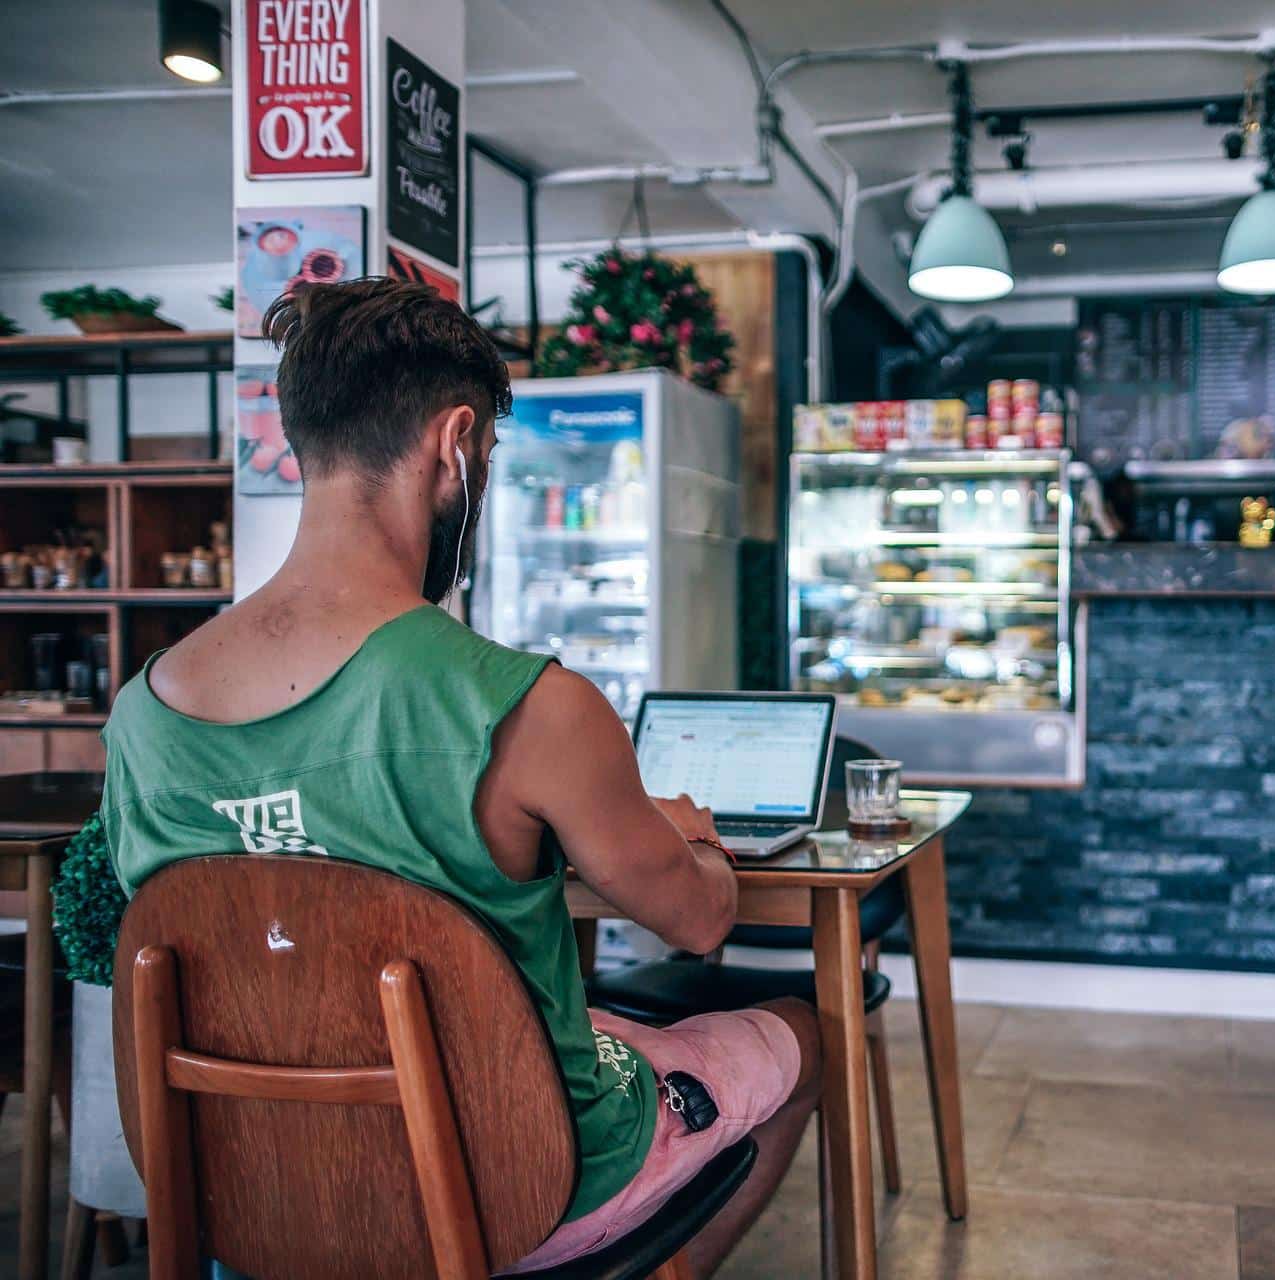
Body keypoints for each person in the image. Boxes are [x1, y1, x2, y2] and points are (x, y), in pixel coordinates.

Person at [99, 278, 820, 1276]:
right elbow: (698, 923)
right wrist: (687, 833)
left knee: (596, 1017)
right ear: (454, 445)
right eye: (484, 460)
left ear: (304, 441)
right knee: (799, 1029)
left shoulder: (143, 712)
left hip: (246, 1184)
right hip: (515, 1185)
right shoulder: (528, 703)